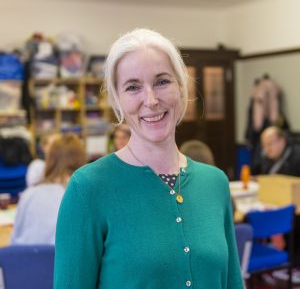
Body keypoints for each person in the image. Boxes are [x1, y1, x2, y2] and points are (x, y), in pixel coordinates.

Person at [54, 29, 243, 288]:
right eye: (133, 87)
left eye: (162, 82)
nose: (151, 100)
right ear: (116, 100)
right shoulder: (88, 188)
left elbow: (232, 281)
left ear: (181, 86)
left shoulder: (215, 182)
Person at [11, 133, 86, 245]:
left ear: (49, 159)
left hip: (26, 260)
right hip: (62, 260)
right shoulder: (84, 195)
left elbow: (14, 240)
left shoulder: (29, 193)